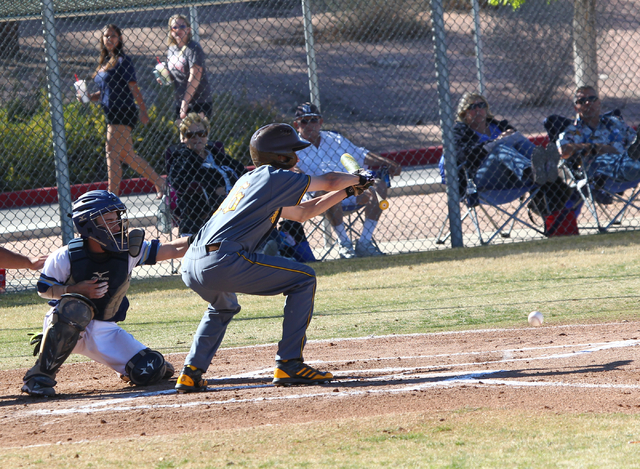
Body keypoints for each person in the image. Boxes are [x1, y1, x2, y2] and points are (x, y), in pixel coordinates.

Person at [174, 123, 375, 392]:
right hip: (223, 259)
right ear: (280, 156)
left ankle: (190, 372)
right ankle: (289, 363)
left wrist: (349, 191)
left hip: (193, 263)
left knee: (222, 307)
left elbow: (303, 213)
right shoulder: (273, 177)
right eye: (293, 151)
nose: (297, 157)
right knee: (304, 279)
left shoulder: (252, 181)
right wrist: (357, 177)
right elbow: (327, 180)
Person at [21, 190, 190, 397]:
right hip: (68, 323)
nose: (118, 225)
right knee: (76, 308)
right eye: (109, 220)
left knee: (150, 369)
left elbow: (172, 250)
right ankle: (38, 377)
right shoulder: (66, 256)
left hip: (104, 329)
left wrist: (206, 237)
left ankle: (142, 367)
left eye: (117, 218)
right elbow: (44, 289)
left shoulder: (129, 250)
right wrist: (73, 289)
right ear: (88, 224)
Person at [292, 103, 401, 258]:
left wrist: (388, 163)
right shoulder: (293, 146)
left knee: (379, 186)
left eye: (313, 120)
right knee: (330, 189)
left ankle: (364, 242)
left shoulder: (334, 138)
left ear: (320, 122)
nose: (310, 125)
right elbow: (292, 171)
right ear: (296, 125)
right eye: (304, 121)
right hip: (319, 198)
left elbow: (361, 154)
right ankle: (344, 244)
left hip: (350, 189)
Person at [85, 24, 165, 198]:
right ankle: (160, 182)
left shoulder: (123, 60)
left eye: (113, 36)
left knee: (111, 151)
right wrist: (89, 96)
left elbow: (133, 88)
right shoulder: (105, 62)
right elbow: (105, 91)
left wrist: (143, 111)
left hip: (123, 110)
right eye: (106, 36)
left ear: (119, 39)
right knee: (127, 156)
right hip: (110, 112)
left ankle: (111, 195)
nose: (109, 39)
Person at [446, 92, 560, 197]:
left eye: (481, 105)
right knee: (500, 147)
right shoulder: (459, 132)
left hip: (513, 175)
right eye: (472, 107)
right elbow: (464, 155)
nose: (477, 109)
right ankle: (533, 171)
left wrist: (511, 134)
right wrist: (494, 143)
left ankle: (545, 165)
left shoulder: (499, 125)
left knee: (518, 139)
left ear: (486, 108)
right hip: (483, 177)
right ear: (464, 113)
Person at [168, 113, 245, 236]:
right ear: (183, 138)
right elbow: (179, 181)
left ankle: (279, 244)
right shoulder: (182, 158)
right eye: (191, 135)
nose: (197, 138)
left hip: (237, 198)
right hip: (209, 207)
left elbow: (241, 170)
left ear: (207, 135)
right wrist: (213, 190)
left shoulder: (216, 154)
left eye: (201, 134)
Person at [557, 86, 640, 183]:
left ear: (599, 103)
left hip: (626, 159)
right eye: (582, 101)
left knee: (633, 153)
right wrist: (598, 147)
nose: (588, 103)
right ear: (576, 108)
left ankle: (632, 162)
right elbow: (563, 150)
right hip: (598, 169)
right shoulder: (572, 131)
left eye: (592, 99)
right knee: (625, 164)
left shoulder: (614, 122)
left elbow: (634, 139)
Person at [164, 14, 213, 121]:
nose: (178, 30)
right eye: (174, 27)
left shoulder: (193, 48)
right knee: (184, 136)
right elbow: (174, 75)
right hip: (180, 101)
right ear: (171, 31)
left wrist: (185, 103)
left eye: (182, 26)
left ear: (189, 29)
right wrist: (163, 76)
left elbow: (195, 76)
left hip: (199, 101)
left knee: (198, 135)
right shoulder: (171, 49)